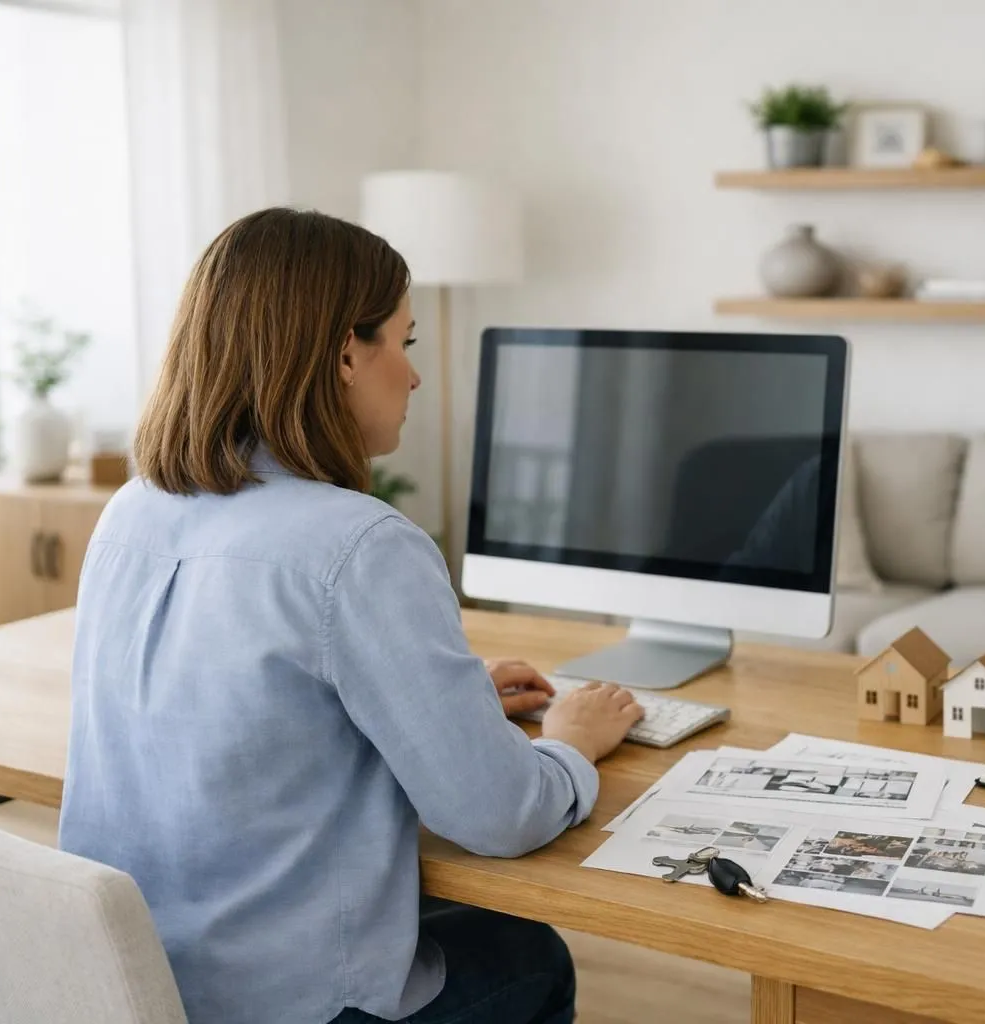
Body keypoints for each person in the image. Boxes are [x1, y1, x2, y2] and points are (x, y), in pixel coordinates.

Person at [58, 207, 644, 1024]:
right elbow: (500, 815)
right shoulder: (359, 543)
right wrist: (572, 745)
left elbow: (234, 691)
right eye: (402, 343)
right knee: (529, 956)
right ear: (343, 353)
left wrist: (444, 693)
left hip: (141, 982)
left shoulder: (133, 510)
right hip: (286, 1004)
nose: (412, 375)